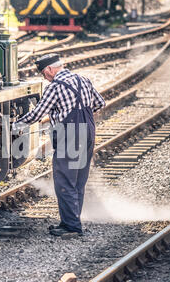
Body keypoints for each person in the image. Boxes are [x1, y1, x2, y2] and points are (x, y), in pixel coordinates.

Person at [12, 54, 106, 237]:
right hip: (88, 131)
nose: (44, 78)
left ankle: (71, 227)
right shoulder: (83, 79)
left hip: (69, 135)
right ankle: (72, 221)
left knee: (64, 180)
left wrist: (16, 125)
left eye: (43, 74)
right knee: (78, 180)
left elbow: (37, 113)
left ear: (49, 70)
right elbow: (99, 103)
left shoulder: (55, 86)